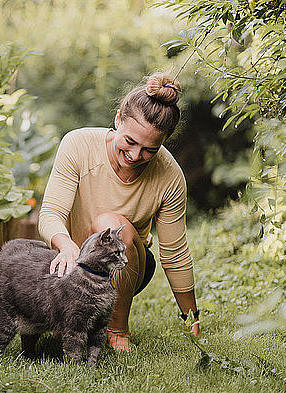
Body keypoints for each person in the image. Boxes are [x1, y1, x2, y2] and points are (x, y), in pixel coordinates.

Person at [38, 73, 201, 352]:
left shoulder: (169, 175)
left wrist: (192, 319)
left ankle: (117, 330)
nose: (136, 156)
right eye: (130, 141)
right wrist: (65, 246)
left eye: (150, 150)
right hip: (71, 261)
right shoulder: (78, 145)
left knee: (111, 226)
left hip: (125, 266)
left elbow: (174, 253)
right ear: (117, 120)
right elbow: (51, 213)